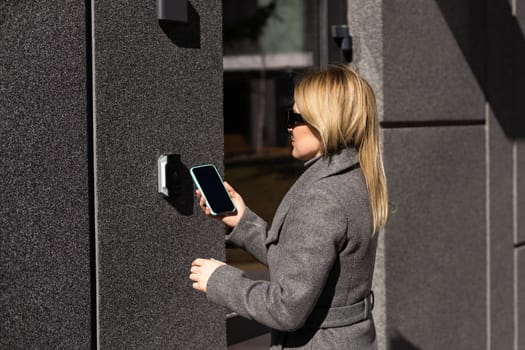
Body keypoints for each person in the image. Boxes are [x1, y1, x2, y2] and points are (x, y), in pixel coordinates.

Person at [189, 64, 388, 349]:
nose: (288, 127)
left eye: (295, 117)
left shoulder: (323, 196)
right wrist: (243, 221)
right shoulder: (354, 177)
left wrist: (219, 280)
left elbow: (286, 309)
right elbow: (302, 265)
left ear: (324, 120)